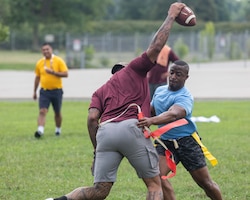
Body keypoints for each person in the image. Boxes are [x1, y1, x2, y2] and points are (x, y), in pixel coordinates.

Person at [46, 2, 186, 200]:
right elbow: (156, 46)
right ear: (128, 67)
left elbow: (92, 119)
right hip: (131, 128)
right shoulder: (135, 70)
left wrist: (97, 151)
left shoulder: (100, 91)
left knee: (99, 190)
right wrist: (171, 16)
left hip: (106, 133)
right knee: (154, 185)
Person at [137, 60, 223, 200]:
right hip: (165, 143)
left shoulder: (185, 96)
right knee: (157, 178)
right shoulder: (160, 91)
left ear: (186, 77)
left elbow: (174, 114)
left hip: (187, 142)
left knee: (205, 183)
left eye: (178, 74)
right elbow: (151, 111)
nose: (173, 77)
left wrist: (151, 121)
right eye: (172, 73)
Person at [33, 43, 68, 138]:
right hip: (44, 91)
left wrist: (53, 72)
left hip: (57, 91)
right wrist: (34, 92)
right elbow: (37, 77)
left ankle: (58, 130)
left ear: (51, 49)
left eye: (47, 49)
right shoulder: (40, 62)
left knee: (57, 112)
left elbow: (66, 74)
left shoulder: (58, 60)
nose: (45, 51)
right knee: (42, 111)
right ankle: (40, 131)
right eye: (43, 50)